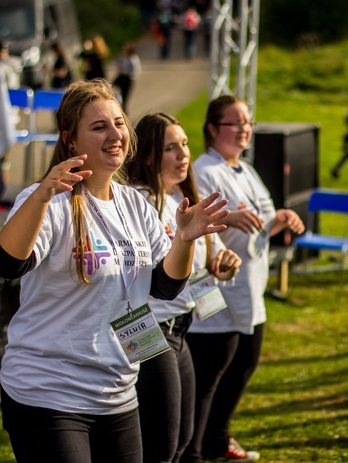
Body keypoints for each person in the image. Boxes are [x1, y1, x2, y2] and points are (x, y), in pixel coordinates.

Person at [0, 79, 230, 463]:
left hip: (116, 393)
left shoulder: (135, 204)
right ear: (70, 140)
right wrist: (42, 195)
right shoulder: (49, 200)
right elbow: (6, 263)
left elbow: (165, 287)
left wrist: (184, 239)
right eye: (99, 127)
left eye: (118, 123)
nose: (115, 134)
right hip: (49, 393)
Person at [183, 95, 305, 462]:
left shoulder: (245, 169)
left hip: (251, 286)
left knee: (244, 365)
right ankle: (195, 449)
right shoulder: (204, 171)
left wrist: (281, 219)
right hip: (214, 291)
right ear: (211, 129)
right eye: (234, 123)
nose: (243, 130)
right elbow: (194, 227)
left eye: (247, 122)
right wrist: (227, 220)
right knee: (211, 374)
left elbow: (263, 218)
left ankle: (218, 438)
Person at [127, 112, 242, 463]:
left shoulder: (185, 198)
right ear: (148, 156)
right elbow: (149, 274)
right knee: (162, 441)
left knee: (183, 438)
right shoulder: (136, 202)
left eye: (185, 145)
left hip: (181, 327)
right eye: (171, 149)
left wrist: (222, 264)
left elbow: (210, 254)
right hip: (145, 328)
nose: (183, 155)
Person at [112, 42, 142, 115]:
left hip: (128, 79)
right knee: (112, 89)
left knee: (125, 99)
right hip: (121, 77)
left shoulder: (133, 58)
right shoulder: (121, 57)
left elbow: (136, 70)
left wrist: (128, 72)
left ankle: (124, 114)